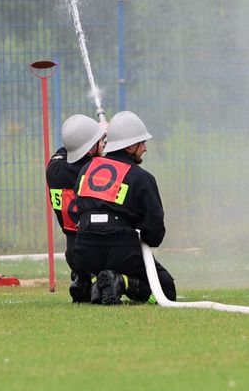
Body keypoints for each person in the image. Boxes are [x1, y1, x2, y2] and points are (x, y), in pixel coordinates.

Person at [66, 109, 177, 305]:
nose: (145, 148)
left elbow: (77, 212)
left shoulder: (86, 170)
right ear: (131, 146)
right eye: (142, 142)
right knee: (166, 291)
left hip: (84, 250)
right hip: (121, 249)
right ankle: (121, 281)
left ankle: (93, 281)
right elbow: (154, 232)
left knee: (100, 264)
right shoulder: (141, 178)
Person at [46, 112, 105, 304]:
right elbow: (115, 163)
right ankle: (99, 283)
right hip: (96, 247)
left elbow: (67, 150)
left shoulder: (53, 169)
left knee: (82, 269)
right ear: (89, 149)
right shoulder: (94, 172)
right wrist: (107, 133)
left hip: (72, 249)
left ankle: (82, 280)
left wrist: (93, 135)